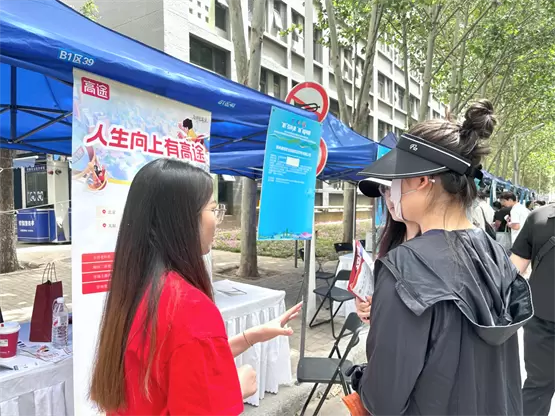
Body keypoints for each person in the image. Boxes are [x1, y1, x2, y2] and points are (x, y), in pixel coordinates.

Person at [349, 99, 533, 415]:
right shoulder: (496, 254)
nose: (391, 192)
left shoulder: (405, 267)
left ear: (421, 180)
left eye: (396, 180)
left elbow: (383, 399)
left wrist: (360, 378)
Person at [89, 159, 302, 415]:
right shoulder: (189, 307)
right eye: (212, 209)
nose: (217, 219)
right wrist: (235, 389)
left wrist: (251, 336)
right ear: (181, 220)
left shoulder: (136, 288)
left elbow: (178, 360)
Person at [510, 204, 555, 416]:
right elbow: (514, 268)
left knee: (537, 387)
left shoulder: (540, 217)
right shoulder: (539, 218)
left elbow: (513, 269)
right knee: (536, 387)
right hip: (541, 321)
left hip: (541, 320)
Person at [355, 180, 420, 323]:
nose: (390, 197)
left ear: (422, 184)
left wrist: (383, 311)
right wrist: (370, 305)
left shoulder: (435, 246)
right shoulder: (392, 238)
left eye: (395, 187)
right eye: (384, 189)